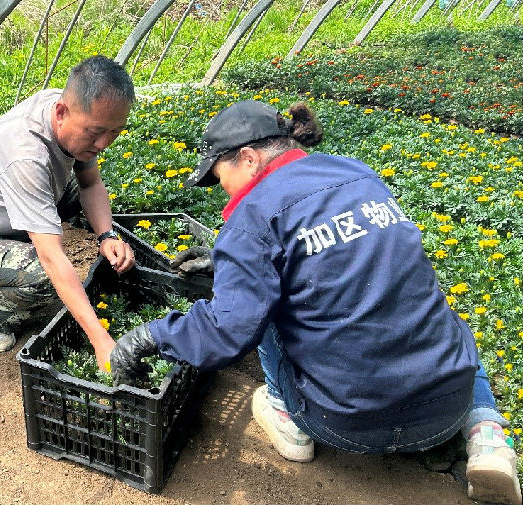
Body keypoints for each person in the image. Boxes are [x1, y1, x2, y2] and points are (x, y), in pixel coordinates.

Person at [109, 99, 522, 505]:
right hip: (445, 412)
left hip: (346, 426)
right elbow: (331, 250)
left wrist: (148, 336)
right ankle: (487, 436)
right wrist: (226, 261)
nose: (222, 191)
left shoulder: (252, 216)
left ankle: (289, 421)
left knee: (265, 311)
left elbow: (228, 330)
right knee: (429, 306)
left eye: (220, 177)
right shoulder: (358, 175)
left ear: (249, 159)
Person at [0, 55, 136, 370]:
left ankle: (4, 268)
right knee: (43, 279)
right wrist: (101, 340)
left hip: (2, 214)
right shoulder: (25, 157)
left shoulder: (69, 115)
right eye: (95, 133)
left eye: (114, 132)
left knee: (81, 199)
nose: (103, 143)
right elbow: (51, 258)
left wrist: (107, 235)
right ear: (61, 113)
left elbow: (90, 185)